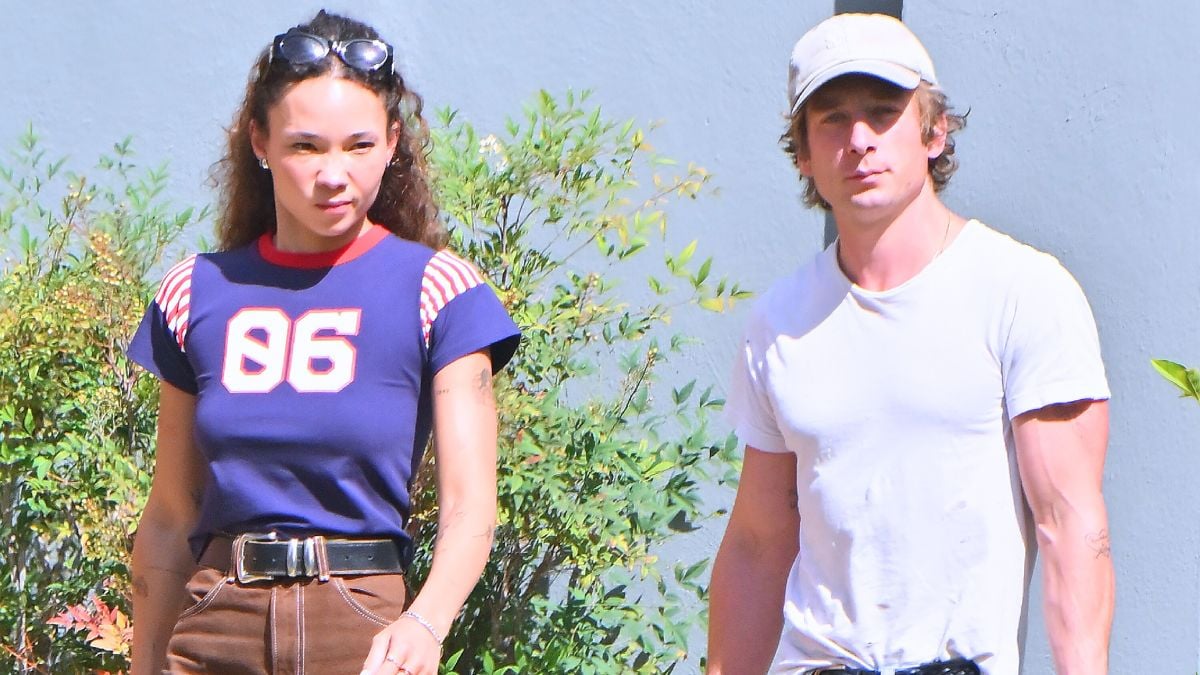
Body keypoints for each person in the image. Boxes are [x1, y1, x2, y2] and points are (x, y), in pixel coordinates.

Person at [708, 13, 1112, 675]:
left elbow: (1070, 525)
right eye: (832, 118)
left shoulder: (1021, 291)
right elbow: (757, 541)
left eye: (884, 111)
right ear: (804, 153)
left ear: (934, 130)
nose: (860, 139)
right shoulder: (780, 320)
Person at [127, 10, 520, 675]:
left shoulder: (441, 292)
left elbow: (470, 507)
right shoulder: (196, 291)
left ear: (394, 141)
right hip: (215, 624)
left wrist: (426, 620)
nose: (333, 174)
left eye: (358, 146)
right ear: (260, 142)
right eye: (306, 146)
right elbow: (170, 514)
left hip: (363, 631)